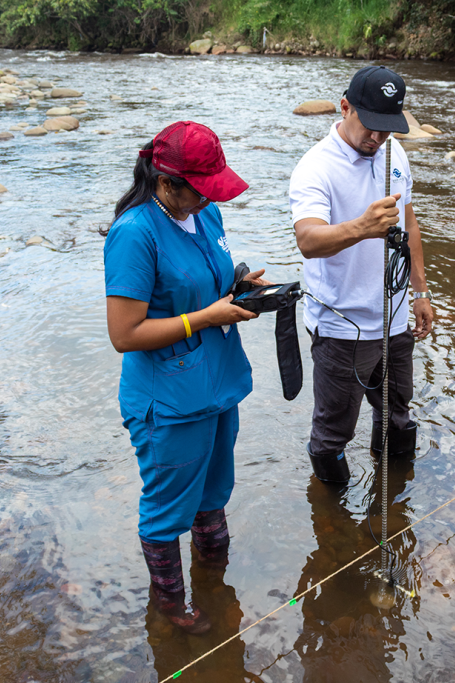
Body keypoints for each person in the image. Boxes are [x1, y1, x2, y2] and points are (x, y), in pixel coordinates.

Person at [103, 121, 268, 634]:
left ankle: (214, 580)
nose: (208, 200)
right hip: (169, 400)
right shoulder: (134, 234)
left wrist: (236, 286)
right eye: (200, 190)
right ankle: (172, 606)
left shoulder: (206, 211)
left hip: (217, 384)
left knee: (215, 491)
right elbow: (125, 334)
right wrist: (205, 318)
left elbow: (202, 283)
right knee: (166, 508)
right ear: (167, 182)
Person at [289, 65, 435, 484]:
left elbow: (409, 225)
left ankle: (393, 498)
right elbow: (308, 239)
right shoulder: (315, 167)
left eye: (387, 128)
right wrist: (361, 227)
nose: (376, 138)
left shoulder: (394, 153)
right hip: (342, 328)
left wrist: (420, 292)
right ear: (345, 106)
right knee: (333, 434)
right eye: (369, 125)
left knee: (397, 414)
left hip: (393, 320)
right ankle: (334, 524)